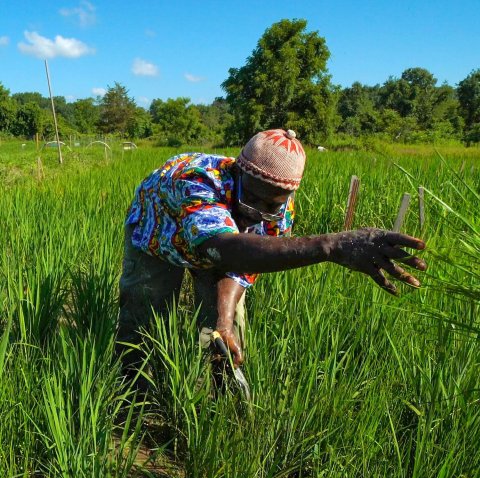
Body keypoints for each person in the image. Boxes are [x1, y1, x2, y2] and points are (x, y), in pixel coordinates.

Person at [117, 128, 426, 374]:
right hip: (160, 232)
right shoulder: (195, 183)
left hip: (223, 245)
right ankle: (133, 386)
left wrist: (223, 320)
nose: (258, 214)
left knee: (227, 327)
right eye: (253, 199)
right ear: (239, 173)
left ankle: (217, 397)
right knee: (147, 309)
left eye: (271, 206)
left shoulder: (279, 207)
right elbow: (226, 250)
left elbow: (244, 265)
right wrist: (331, 246)